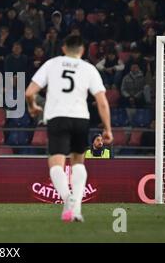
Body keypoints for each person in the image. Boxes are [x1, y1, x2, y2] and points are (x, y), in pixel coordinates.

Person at [25, 35, 113, 222]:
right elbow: (102, 102)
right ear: (82, 50)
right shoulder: (89, 68)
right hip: (80, 118)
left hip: (57, 118)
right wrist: (107, 128)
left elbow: (29, 92)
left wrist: (32, 106)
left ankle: (67, 199)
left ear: (63, 48)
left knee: (56, 164)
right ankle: (77, 209)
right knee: (78, 163)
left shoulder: (52, 64)